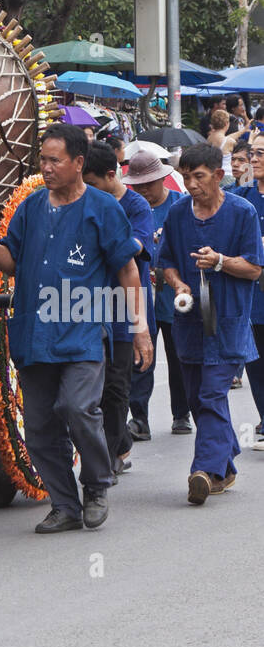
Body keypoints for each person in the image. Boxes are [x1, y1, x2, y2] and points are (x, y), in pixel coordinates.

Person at [0, 124, 151, 534]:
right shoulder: (31, 208)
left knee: (77, 408)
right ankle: (65, 506)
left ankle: (97, 485)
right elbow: (12, 262)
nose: (46, 168)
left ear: (78, 163)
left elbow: (126, 267)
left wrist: (139, 330)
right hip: (34, 334)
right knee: (40, 425)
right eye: (42, 160)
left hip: (83, 329)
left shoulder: (103, 208)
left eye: (55, 160)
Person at [156, 142, 263, 504]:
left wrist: (219, 262)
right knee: (197, 398)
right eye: (186, 178)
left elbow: (253, 269)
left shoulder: (243, 212)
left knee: (212, 394)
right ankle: (226, 461)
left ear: (218, 175)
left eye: (198, 177)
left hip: (229, 322)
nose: (191, 185)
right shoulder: (176, 214)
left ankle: (205, 471)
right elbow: (165, 261)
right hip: (188, 321)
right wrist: (178, 283)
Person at [82, 140, 155, 478]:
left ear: (111, 176)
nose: (87, 190)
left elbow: (136, 248)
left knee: (115, 385)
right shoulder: (81, 202)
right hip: (86, 307)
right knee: (89, 388)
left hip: (126, 310)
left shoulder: (137, 206)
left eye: (92, 183)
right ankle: (120, 440)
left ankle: (109, 455)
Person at [123, 150, 190, 437]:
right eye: (137, 186)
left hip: (171, 293)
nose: (143, 191)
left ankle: (181, 414)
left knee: (178, 357)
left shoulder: (179, 206)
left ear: (162, 179)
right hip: (140, 292)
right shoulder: (129, 208)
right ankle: (139, 419)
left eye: (148, 184)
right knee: (140, 356)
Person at [230, 133, 264, 452]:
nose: (254, 159)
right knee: (255, 363)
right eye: (252, 153)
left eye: (260, 154)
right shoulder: (242, 198)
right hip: (251, 296)